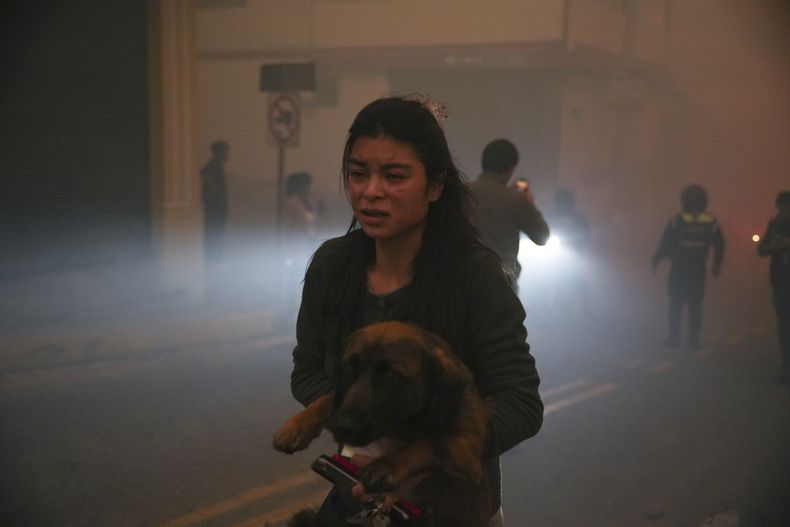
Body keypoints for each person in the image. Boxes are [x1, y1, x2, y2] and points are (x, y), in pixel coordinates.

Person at [288, 96, 543, 526]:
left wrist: (427, 453)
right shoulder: (332, 266)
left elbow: (520, 402)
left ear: (436, 185)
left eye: (394, 176)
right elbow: (307, 370)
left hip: (452, 507)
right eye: (358, 174)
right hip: (357, 493)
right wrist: (354, 419)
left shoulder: (475, 277)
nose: (371, 191)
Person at [652, 184, 725, 349]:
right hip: (696, 270)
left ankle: (675, 337)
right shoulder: (710, 221)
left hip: (680, 269)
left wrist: (657, 259)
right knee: (693, 305)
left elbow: (665, 242)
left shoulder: (677, 220)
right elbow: (720, 245)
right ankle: (692, 340)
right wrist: (716, 265)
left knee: (677, 304)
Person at [468, 139, 550, 288]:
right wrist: (529, 204)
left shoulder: (461, 193)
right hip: (501, 285)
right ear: (510, 169)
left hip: (463, 282)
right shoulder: (516, 200)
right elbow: (542, 237)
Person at [757, 191, 790, 383]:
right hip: (780, 282)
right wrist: (775, 248)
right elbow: (761, 250)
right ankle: (786, 364)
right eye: (783, 206)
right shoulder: (774, 224)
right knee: (784, 324)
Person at [546, 187, 593, 319]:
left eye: (565, 200)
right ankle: (545, 309)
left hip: (573, 254)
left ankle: (587, 310)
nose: (564, 203)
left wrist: (580, 242)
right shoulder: (551, 215)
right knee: (548, 280)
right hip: (553, 254)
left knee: (579, 281)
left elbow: (585, 231)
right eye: (561, 200)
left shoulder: (578, 217)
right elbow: (542, 229)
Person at [200, 140, 230, 264]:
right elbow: (206, 176)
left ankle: (215, 259)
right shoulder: (213, 165)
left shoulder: (216, 165)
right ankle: (214, 260)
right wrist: (216, 193)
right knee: (214, 234)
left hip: (216, 207)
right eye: (225, 151)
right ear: (217, 152)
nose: (227, 154)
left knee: (216, 234)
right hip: (215, 207)